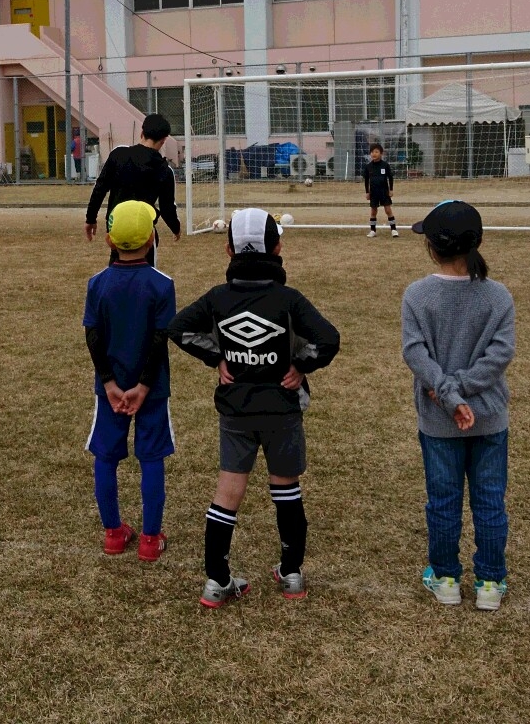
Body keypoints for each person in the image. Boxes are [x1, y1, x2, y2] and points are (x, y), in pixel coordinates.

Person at [169, 208, 339, 607]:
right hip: (282, 409)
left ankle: (217, 581)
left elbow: (179, 328)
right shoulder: (288, 299)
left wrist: (218, 358)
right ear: (278, 248)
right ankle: (292, 574)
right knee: (287, 490)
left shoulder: (218, 297)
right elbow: (328, 339)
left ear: (228, 251)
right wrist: (300, 365)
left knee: (227, 494)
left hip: (236, 411)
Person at [402, 200, 514, 611]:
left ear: (432, 247)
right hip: (489, 418)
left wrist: (448, 393)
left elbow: (415, 354)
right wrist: (461, 393)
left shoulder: (417, 294)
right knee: (489, 500)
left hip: (438, 419)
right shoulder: (497, 295)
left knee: (444, 499)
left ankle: (446, 576)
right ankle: (489, 582)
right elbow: (500, 355)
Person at [83, 200, 177, 561]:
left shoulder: (98, 284)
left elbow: (92, 335)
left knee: (106, 456)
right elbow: (159, 337)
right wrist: (145, 386)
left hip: (111, 391)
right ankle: (150, 540)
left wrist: (108, 383)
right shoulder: (161, 284)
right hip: (151, 390)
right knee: (151, 457)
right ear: (153, 238)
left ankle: (113, 534)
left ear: (109, 241)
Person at [85, 113, 183, 264]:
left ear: (142, 133)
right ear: (163, 141)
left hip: (117, 226)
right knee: (145, 273)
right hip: (144, 229)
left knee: (117, 267)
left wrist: (90, 218)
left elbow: (100, 188)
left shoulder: (118, 155)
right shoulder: (164, 170)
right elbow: (167, 207)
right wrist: (175, 228)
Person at [361, 143, 398, 238]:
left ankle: (393, 229)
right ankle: (373, 230)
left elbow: (390, 177)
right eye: (372, 152)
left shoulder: (385, 165)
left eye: (376, 152)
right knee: (373, 212)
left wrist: (391, 190)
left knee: (388, 210)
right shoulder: (368, 166)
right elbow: (366, 180)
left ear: (381, 153)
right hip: (373, 192)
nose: (374, 154)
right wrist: (367, 192)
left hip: (384, 192)